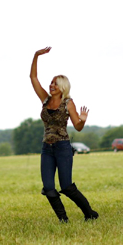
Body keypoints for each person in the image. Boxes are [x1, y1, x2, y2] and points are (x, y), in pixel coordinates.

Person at [30, 47, 99, 222]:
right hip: (47, 148)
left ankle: (89, 213)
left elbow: (78, 126)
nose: (51, 85)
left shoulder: (68, 103)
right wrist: (36, 56)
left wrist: (82, 120)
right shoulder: (45, 99)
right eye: (51, 83)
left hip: (62, 148)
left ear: (62, 87)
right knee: (48, 187)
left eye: (55, 83)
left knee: (66, 186)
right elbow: (33, 78)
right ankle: (63, 219)